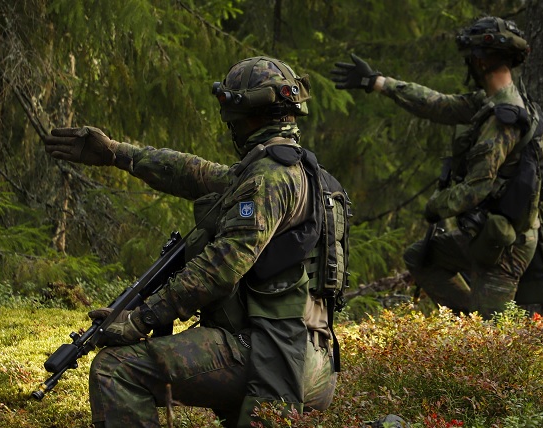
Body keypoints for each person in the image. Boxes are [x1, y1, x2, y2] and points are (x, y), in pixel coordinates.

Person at [44, 56, 349, 427]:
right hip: (309, 358)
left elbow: (220, 267)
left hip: (271, 355)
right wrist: (116, 153)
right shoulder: (303, 174)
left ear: (244, 115)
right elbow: (193, 173)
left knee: (115, 370)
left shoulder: (269, 179)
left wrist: (140, 320)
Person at [330, 16, 543, 319]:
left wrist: (436, 205)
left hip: (504, 246)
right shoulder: (492, 102)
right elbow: (439, 104)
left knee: (495, 347)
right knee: (422, 259)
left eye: (470, 59)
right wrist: (378, 83)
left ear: (480, 61)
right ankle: (469, 325)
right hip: (484, 233)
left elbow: (478, 187)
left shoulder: (504, 118)